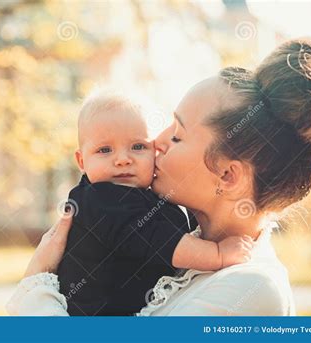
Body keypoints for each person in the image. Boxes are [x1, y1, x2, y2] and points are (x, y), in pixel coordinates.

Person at [6, 38, 311, 316]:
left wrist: (35, 284)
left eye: (178, 135)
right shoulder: (181, 238)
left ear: (228, 176)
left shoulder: (251, 290)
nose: (156, 142)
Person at [56, 90, 253, 316]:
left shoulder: (145, 196)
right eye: (104, 150)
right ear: (82, 161)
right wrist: (217, 254)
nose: (122, 159)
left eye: (138, 147)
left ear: (154, 151)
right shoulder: (99, 198)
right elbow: (157, 240)